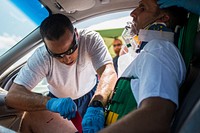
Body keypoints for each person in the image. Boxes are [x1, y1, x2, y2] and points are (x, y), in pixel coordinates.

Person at [82, 0, 188, 132]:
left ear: (163, 18)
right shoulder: (151, 51)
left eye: (142, 8)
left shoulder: (158, 49)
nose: (133, 13)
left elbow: (156, 117)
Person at [5, 14, 117, 133]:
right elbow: (12, 96)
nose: (66, 58)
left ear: (76, 34)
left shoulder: (90, 39)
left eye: (71, 50)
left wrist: (97, 103)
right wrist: (50, 103)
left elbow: (108, 71)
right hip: (58, 104)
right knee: (29, 117)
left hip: (92, 96)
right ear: (47, 47)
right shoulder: (42, 56)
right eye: (57, 55)